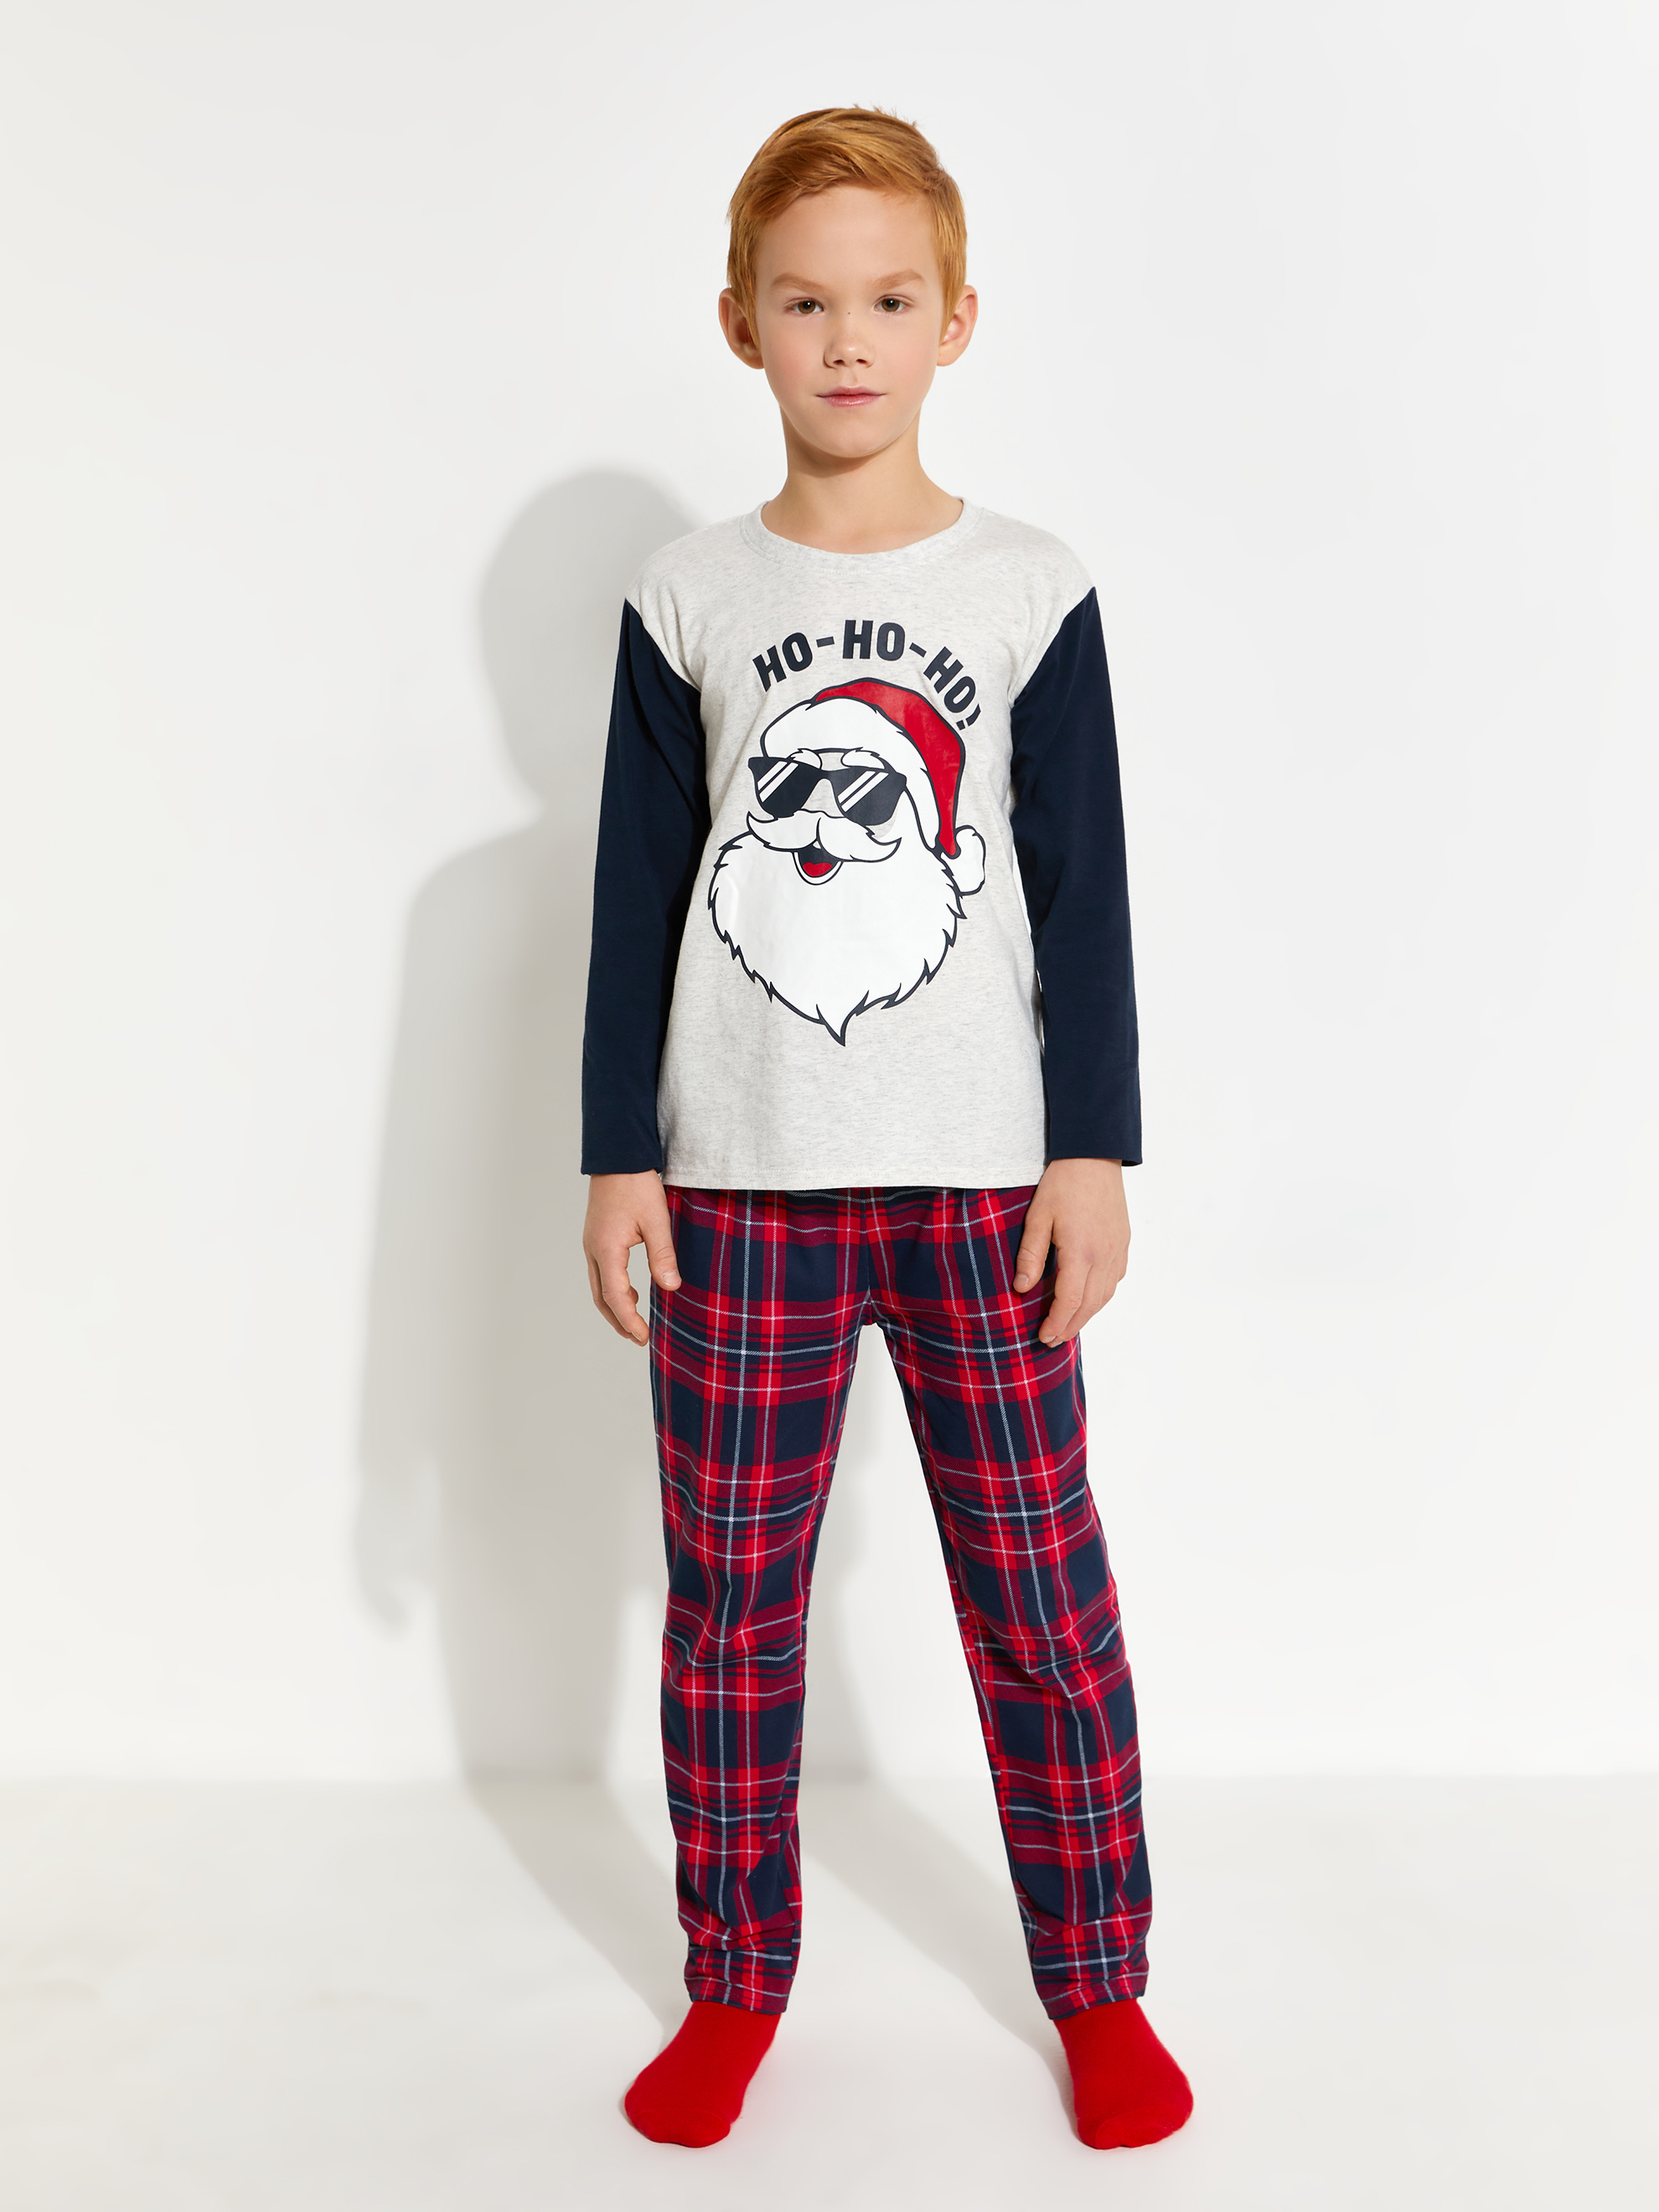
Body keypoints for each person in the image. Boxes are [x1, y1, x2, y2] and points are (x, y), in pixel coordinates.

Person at [579, 106, 1192, 2153]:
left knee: (1039, 1597)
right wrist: (615, 1153)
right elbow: (638, 891)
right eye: (806, 302)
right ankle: (732, 1984)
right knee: (730, 1611)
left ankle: (1096, 1981)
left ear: (958, 320)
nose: (849, 339)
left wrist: (1094, 1150)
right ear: (740, 324)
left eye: (890, 300)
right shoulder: (687, 592)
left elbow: (1085, 892)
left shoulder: (1030, 587)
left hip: (984, 1184)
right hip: (735, 1187)